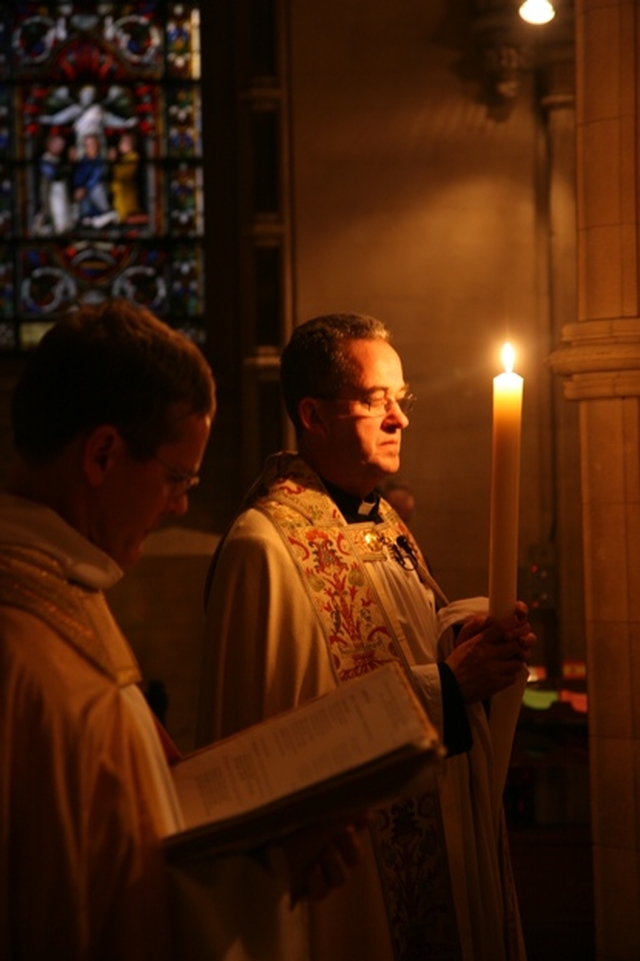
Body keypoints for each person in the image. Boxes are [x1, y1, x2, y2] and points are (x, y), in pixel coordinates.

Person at [0, 301, 365, 961]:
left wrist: (259, 842)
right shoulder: (36, 659)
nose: (180, 505)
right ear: (104, 453)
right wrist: (268, 870)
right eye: (176, 477)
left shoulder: (59, 587)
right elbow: (91, 915)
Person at [197, 312, 536, 961]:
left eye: (400, 399)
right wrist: (451, 683)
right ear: (313, 415)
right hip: (348, 892)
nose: (398, 418)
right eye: (374, 400)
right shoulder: (263, 548)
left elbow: (401, 645)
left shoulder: (384, 523)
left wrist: (464, 634)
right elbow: (281, 740)